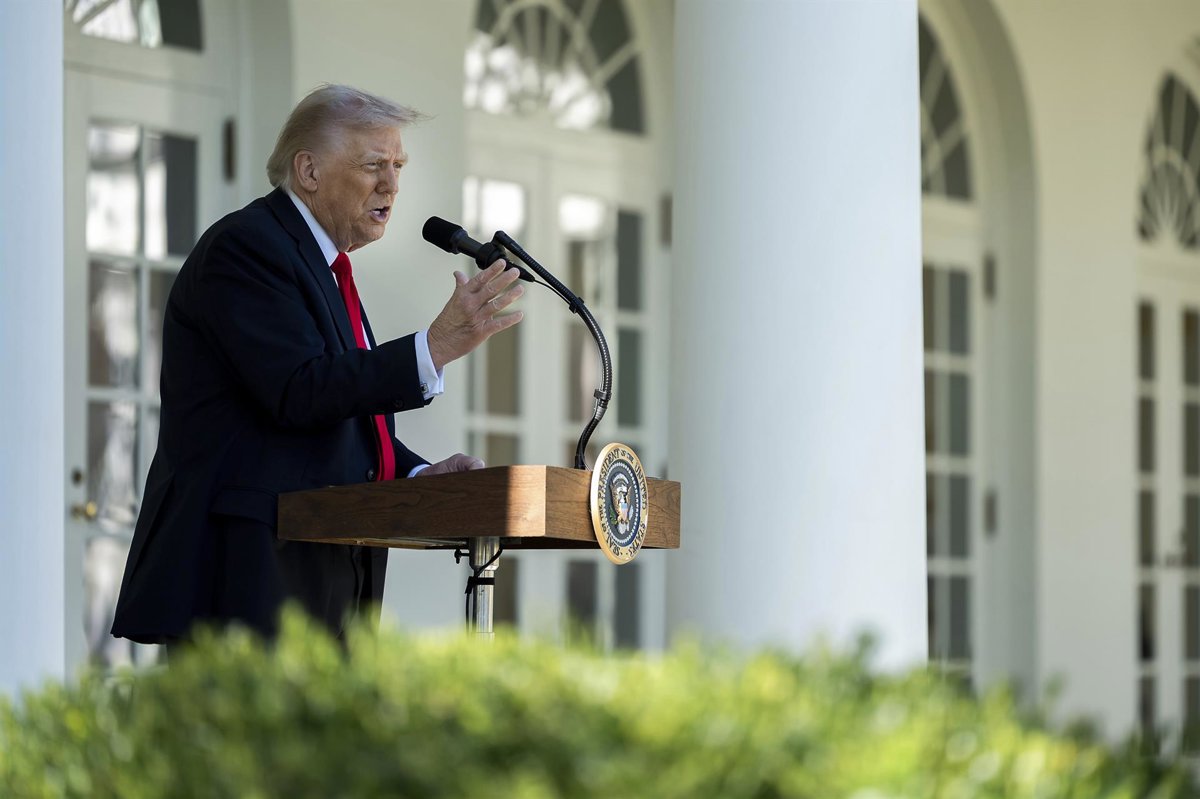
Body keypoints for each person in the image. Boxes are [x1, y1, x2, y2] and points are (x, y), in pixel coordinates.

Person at [110, 84, 523, 645]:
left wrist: (415, 475)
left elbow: (337, 420)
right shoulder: (247, 247)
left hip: (324, 567)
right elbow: (298, 391)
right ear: (308, 171)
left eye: (398, 166)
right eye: (373, 165)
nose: (391, 184)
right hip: (248, 575)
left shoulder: (321, 264)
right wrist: (432, 347)